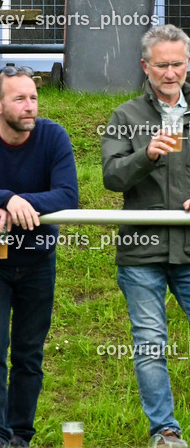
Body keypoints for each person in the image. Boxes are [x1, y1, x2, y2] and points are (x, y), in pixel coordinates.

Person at [0, 65, 79, 448]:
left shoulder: (54, 136)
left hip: (39, 259)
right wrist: (4, 198)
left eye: (34, 98)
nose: (30, 107)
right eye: (20, 99)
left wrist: (21, 203)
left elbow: (68, 195)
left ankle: (20, 434)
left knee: (29, 351)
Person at [102, 24, 190, 448]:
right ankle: (166, 432)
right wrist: (146, 155)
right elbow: (111, 177)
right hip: (142, 251)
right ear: (145, 67)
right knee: (150, 344)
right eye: (161, 65)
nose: (170, 73)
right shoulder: (125, 116)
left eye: (177, 64)